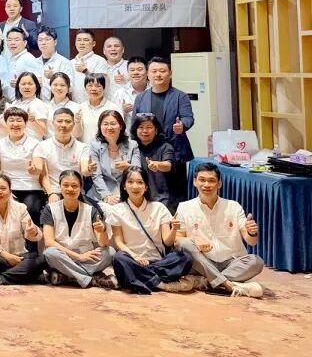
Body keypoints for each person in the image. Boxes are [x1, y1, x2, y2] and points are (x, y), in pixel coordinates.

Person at [174, 162, 265, 298]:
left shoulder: (233, 206)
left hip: (231, 262)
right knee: (185, 244)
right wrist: (194, 240)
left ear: (219, 184)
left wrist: (252, 232)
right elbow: (177, 240)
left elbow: (251, 241)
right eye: (202, 180)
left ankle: (208, 282)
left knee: (256, 261)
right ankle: (227, 285)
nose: (206, 185)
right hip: (201, 263)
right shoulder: (184, 207)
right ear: (194, 182)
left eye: (211, 181)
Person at [108, 166, 196, 293]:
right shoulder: (116, 210)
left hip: (157, 261)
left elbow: (168, 242)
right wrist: (135, 257)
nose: (135, 186)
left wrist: (174, 229)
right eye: (130, 182)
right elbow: (119, 242)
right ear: (124, 186)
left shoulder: (158, 208)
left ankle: (140, 278)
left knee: (185, 258)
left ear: (146, 187)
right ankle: (161, 284)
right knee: (119, 258)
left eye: (140, 182)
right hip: (132, 259)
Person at [133, 57, 194, 203]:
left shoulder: (180, 96)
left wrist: (181, 126)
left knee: (176, 193)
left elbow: (188, 117)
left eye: (162, 71)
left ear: (170, 73)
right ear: (148, 74)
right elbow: (135, 124)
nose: (158, 74)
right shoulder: (141, 97)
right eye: (154, 71)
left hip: (174, 148)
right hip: (148, 150)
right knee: (149, 189)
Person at [41, 170, 116, 288]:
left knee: (110, 252)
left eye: (74, 186)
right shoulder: (50, 209)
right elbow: (49, 242)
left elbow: (103, 243)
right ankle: (91, 279)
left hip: (86, 257)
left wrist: (102, 231)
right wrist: (78, 257)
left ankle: (69, 276)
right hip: (64, 256)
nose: (70, 189)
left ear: (80, 188)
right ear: (60, 186)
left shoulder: (91, 210)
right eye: (66, 185)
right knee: (50, 253)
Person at [0, 107, 45, 227]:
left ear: (26, 123)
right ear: (6, 123)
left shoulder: (35, 143)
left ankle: (32, 238)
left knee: (31, 210)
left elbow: (39, 167)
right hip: (7, 188)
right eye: (11, 120)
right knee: (7, 214)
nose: (15, 124)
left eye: (19, 120)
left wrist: (34, 169)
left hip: (31, 187)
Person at [33, 108, 89, 203]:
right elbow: (43, 175)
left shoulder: (82, 147)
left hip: (75, 193)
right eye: (59, 121)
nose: (63, 125)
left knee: (95, 210)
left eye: (68, 121)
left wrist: (89, 169)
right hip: (53, 192)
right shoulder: (42, 146)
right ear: (52, 123)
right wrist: (51, 193)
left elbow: (85, 170)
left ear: (73, 124)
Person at [89, 110, 139, 208]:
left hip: (126, 191)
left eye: (113, 124)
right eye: (105, 124)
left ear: (121, 126)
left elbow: (138, 171)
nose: (109, 127)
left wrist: (128, 167)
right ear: (100, 127)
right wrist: (106, 196)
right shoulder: (95, 146)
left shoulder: (133, 145)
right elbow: (96, 176)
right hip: (101, 193)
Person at [131, 112, 176, 211]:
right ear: (135, 130)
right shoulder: (132, 147)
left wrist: (157, 164)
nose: (145, 131)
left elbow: (168, 165)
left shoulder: (165, 147)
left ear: (156, 130)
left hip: (162, 197)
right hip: (136, 196)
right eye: (141, 127)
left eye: (149, 127)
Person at [79, 73, 120, 145]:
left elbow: (119, 132)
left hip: (106, 149)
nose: (93, 89)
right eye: (90, 85)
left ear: (104, 88)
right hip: (85, 150)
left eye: (98, 86)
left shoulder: (113, 108)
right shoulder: (80, 108)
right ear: (85, 88)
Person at [4, 28, 44, 98]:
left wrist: (21, 83)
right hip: (12, 101)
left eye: (16, 40)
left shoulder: (28, 58)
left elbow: (39, 82)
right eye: (9, 40)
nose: (12, 43)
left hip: (25, 101)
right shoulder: (9, 59)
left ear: (25, 43)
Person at [70, 29, 108, 102]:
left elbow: (101, 84)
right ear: (75, 43)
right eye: (79, 40)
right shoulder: (70, 62)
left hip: (95, 104)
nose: (82, 43)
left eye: (86, 40)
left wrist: (85, 71)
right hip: (74, 104)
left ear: (93, 43)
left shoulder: (99, 60)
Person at [37, 28, 74, 100]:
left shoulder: (64, 62)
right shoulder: (34, 62)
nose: (43, 43)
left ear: (55, 42)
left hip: (58, 103)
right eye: (40, 40)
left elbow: (70, 87)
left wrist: (53, 77)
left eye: (47, 39)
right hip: (39, 104)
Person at [45, 72, 81, 138]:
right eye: (55, 85)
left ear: (68, 88)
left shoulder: (76, 107)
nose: (58, 88)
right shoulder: (45, 106)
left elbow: (78, 134)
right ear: (50, 87)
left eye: (62, 85)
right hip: (48, 143)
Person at [101, 36, 130, 101]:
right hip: (104, 105)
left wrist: (125, 82)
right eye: (109, 46)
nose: (113, 49)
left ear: (123, 50)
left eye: (116, 46)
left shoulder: (130, 66)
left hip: (126, 105)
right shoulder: (100, 67)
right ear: (104, 51)